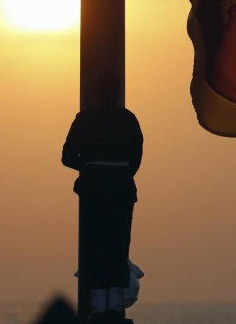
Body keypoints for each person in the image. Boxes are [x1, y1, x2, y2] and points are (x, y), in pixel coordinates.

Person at [62, 76, 143, 324]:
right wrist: (116, 171)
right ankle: (113, 309)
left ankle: (98, 309)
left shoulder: (84, 119)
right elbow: (136, 157)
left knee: (95, 248)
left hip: (94, 189)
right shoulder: (128, 119)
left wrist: (90, 167)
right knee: (117, 248)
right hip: (119, 188)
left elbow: (67, 156)